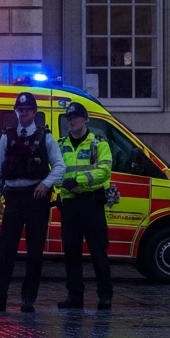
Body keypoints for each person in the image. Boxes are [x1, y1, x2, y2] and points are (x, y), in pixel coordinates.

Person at [0, 92, 66, 313]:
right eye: (20, 110)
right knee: (6, 252)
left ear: (35, 112)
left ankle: (28, 299)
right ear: (16, 112)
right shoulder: (6, 137)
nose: (24, 113)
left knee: (34, 253)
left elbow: (60, 167)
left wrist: (46, 184)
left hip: (36, 199)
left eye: (28, 110)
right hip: (13, 199)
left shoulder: (45, 137)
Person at [55, 102, 114, 310]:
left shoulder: (98, 144)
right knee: (71, 252)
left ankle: (105, 296)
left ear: (85, 120)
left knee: (98, 252)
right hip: (70, 205)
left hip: (91, 204)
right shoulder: (60, 145)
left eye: (76, 118)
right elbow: (53, 171)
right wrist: (60, 184)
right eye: (69, 119)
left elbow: (104, 171)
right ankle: (74, 296)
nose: (71, 121)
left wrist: (78, 181)